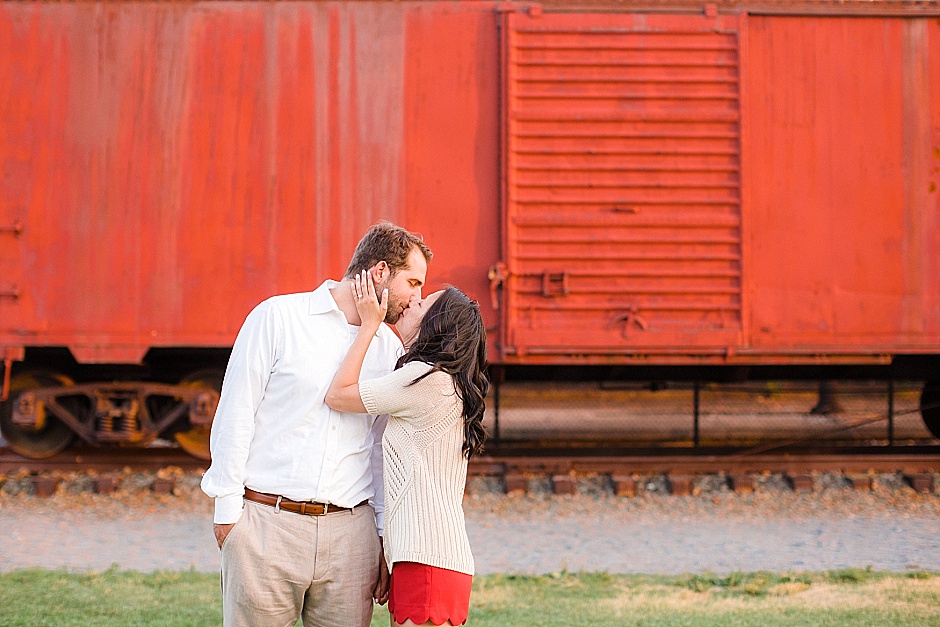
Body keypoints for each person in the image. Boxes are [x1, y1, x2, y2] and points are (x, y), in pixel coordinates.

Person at [200, 222, 432, 627]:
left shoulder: (389, 347)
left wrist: (379, 535)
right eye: (412, 282)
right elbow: (236, 414)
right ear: (380, 272)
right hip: (266, 528)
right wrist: (229, 516)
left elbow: (381, 448)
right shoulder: (278, 318)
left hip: (351, 537)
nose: (417, 298)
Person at [325, 272, 489, 627]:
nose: (412, 301)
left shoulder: (424, 379)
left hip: (426, 559)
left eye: (422, 302)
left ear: (437, 325)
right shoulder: (443, 381)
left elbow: (337, 395)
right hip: (424, 555)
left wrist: (369, 326)